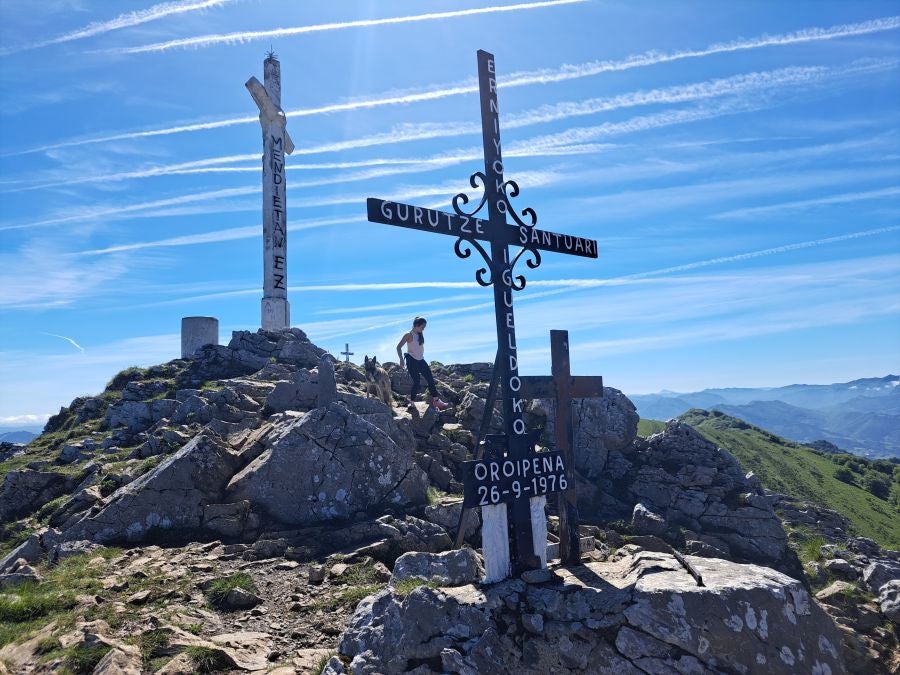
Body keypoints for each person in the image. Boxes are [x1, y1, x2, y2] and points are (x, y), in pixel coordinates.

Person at [396, 316, 449, 411]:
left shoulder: (420, 334)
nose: (423, 329)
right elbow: (398, 347)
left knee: (430, 379)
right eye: (422, 327)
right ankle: (412, 403)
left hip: (421, 361)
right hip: (412, 361)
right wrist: (401, 359)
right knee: (416, 383)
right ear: (416, 325)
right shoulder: (408, 334)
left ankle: (436, 401)